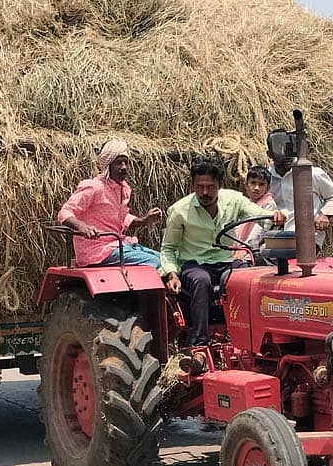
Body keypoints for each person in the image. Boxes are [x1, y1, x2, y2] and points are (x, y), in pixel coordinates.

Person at [160, 157, 286, 345]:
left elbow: (258, 214)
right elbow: (168, 248)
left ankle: (251, 339)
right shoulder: (179, 211)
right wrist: (171, 274)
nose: (204, 192)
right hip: (196, 264)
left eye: (210, 187)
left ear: (219, 184)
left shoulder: (234, 200)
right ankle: (200, 341)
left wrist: (274, 217)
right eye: (199, 187)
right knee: (201, 281)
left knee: (247, 277)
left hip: (227, 260)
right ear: (192, 185)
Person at [58, 139, 162, 267]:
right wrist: (82, 226)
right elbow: (65, 212)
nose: (124, 167)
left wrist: (144, 220)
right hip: (96, 251)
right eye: (118, 163)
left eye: (126, 162)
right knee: (156, 262)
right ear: (108, 166)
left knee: (165, 260)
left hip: (116, 246)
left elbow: (119, 218)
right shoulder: (94, 187)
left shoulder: (122, 189)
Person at [266, 130, 333, 251]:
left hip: (309, 238)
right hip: (277, 238)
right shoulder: (266, 178)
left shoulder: (312, 173)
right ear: (269, 154)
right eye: (279, 150)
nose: (286, 155)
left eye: (288, 149)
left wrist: (325, 215)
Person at [233, 165, 279, 261]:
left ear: (268, 188)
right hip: (240, 248)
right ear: (246, 185)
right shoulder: (245, 204)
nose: (256, 188)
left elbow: (258, 232)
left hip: (257, 250)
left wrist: (245, 249)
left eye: (261, 184)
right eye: (253, 183)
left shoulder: (269, 204)